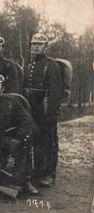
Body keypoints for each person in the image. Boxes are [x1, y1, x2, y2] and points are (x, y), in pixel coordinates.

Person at [22, 33, 63, 187]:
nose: (36, 47)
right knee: (36, 141)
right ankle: (38, 172)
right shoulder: (29, 66)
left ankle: (49, 174)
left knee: (49, 142)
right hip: (31, 110)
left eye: (40, 44)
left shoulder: (51, 65)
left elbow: (55, 93)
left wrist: (51, 115)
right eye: (34, 44)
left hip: (45, 110)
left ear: (46, 46)